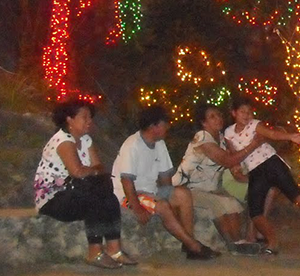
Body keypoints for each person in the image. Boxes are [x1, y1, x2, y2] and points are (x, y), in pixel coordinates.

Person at [34, 98, 135, 269]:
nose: (90, 122)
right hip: (53, 198)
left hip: (76, 192)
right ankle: (94, 252)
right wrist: (91, 171)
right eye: (85, 117)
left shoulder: (86, 140)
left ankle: (114, 250)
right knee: (93, 198)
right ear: (69, 119)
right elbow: (77, 171)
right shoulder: (63, 141)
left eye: (90, 117)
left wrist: (91, 171)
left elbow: (99, 167)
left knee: (109, 198)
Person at [111, 105, 219, 260]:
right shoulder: (132, 145)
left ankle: (188, 242)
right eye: (164, 124)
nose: (168, 127)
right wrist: (137, 208)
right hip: (128, 194)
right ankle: (194, 246)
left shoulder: (159, 143)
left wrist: (170, 196)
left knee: (183, 194)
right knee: (162, 206)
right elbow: (126, 181)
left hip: (150, 191)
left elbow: (165, 177)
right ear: (153, 126)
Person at [224, 96, 300, 254]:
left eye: (249, 111)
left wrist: (291, 137)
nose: (246, 115)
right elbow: (232, 152)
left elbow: (272, 135)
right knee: (255, 211)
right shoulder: (229, 132)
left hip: (271, 162)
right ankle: (272, 241)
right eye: (242, 112)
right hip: (255, 170)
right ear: (234, 113)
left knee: (295, 194)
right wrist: (236, 165)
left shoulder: (254, 124)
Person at [174, 103, 263, 254]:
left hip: (211, 188)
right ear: (203, 122)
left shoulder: (221, 138)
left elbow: (232, 161)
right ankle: (236, 244)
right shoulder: (202, 138)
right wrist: (253, 145)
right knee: (225, 202)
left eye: (219, 115)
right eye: (212, 117)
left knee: (232, 201)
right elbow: (227, 160)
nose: (218, 119)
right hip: (188, 189)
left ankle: (238, 242)